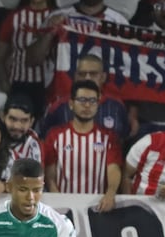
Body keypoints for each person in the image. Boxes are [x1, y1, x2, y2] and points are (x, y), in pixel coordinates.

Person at [42, 79, 122, 209]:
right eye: (82, 100)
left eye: (92, 101)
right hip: (63, 206)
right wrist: (56, 198)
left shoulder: (109, 137)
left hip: (97, 207)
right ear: (71, 103)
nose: (87, 105)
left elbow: (113, 169)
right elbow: (50, 174)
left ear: (98, 104)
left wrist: (111, 193)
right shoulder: (55, 136)